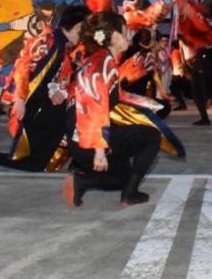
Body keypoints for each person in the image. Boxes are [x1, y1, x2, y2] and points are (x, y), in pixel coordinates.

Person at [0, 5, 89, 175]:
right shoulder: (46, 41)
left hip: (51, 108)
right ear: (78, 27)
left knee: (39, 161)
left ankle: (84, 166)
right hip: (38, 109)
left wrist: (59, 90)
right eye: (87, 27)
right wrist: (19, 98)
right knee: (36, 160)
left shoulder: (65, 47)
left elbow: (55, 77)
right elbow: (23, 67)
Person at [64, 12, 172, 207]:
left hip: (78, 136)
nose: (129, 36)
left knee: (123, 176)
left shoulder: (100, 60)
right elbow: (96, 108)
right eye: (125, 32)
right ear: (114, 37)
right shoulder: (103, 64)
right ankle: (130, 194)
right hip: (87, 139)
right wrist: (99, 151)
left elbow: (109, 96)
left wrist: (148, 105)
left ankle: (83, 181)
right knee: (152, 136)